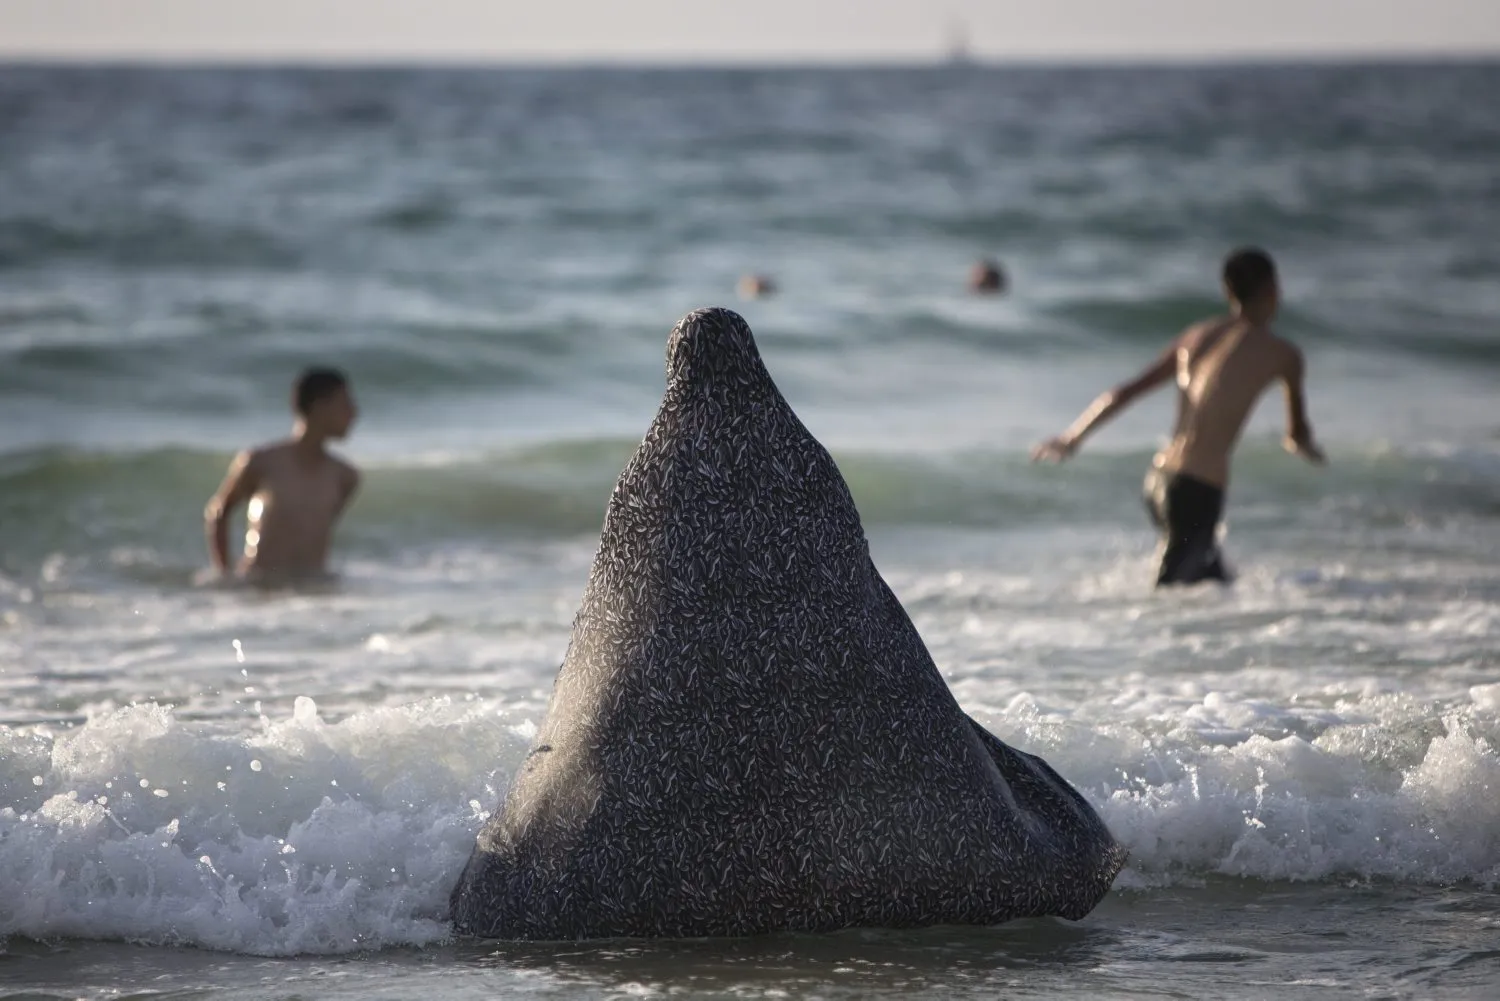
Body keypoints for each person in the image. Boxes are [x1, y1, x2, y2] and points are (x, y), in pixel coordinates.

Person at [1031, 248, 1324, 586]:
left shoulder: (1197, 337)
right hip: (1196, 492)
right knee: (1170, 600)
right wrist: (1308, 450)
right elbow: (1297, 435)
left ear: (1228, 292)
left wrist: (1072, 437)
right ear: (1273, 290)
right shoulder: (1283, 355)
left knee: (1215, 583)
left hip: (1160, 481)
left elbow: (1125, 391)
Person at [204, 367, 360, 583]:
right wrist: (225, 573)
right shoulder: (262, 462)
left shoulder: (345, 476)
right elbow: (219, 512)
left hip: (312, 592)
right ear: (318, 406)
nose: (354, 413)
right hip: (260, 587)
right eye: (345, 404)